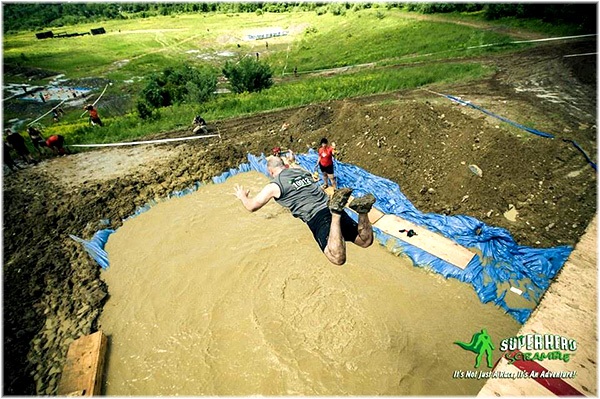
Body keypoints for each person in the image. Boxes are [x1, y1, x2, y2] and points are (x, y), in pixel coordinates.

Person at [234, 156, 376, 265]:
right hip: (329, 204)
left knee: (337, 258)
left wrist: (242, 197)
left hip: (318, 217)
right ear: (286, 165)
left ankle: (336, 214)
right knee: (365, 241)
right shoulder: (302, 171)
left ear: (271, 172)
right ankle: (362, 211)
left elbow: (252, 206)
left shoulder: (274, 185)